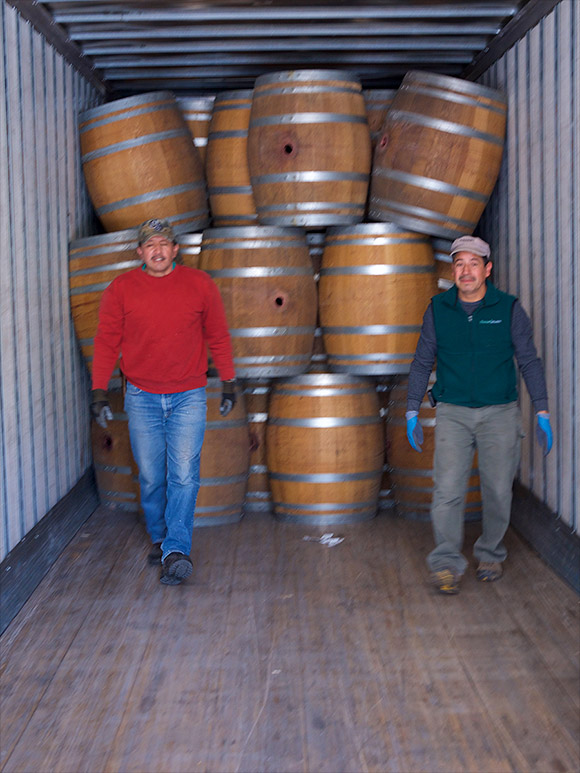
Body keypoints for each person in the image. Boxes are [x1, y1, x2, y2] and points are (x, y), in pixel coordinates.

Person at [90, 218, 236, 586]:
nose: (157, 250)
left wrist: (231, 382)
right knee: (152, 476)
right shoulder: (121, 289)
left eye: (164, 244)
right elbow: (107, 341)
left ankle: (175, 549)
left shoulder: (199, 285)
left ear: (175, 250)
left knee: (185, 474)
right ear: (140, 252)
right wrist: (98, 390)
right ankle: (159, 536)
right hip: (141, 396)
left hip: (189, 394)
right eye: (150, 245)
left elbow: (217, 334)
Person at [405, 235, 553, 595]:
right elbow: (423, 360)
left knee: (498, 490)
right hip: (454, 412)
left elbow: (529, 361)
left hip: (499, 413)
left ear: (487, 270)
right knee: (448, 491)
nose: (466, 271)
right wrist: (411, 409)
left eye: (473, 264)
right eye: (459, 264)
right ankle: (445, 562)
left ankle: (490, 552)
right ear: (452, 270)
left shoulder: (509, 309)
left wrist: (542, 409)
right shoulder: (439, 309)